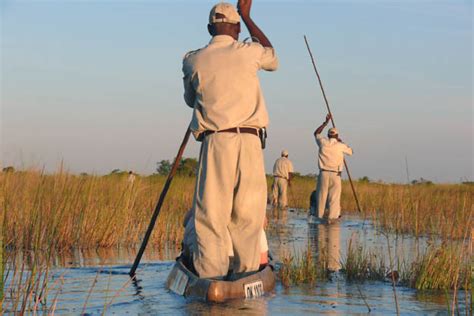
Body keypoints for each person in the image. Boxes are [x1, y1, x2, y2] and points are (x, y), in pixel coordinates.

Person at [182, 0, 278, 278]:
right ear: (236, 28)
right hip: (250, 141)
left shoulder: (192, 59)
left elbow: (191, 101)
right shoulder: (249, 52)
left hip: (216, 142)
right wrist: (248, 17)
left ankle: (211, 278)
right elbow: (272, 55)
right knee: (248, 217)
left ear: (209, 28)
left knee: (211, 217)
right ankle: (247, 276)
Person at [312, 114, 353, 223]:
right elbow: (351, 151)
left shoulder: (323, 142)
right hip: (336, 175)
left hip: (323, 174)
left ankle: (319, 219)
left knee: (321, 198)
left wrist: (325, 123)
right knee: (334, 200)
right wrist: (341, 141)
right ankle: (332, 220)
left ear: (328, 135)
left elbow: (316, 133)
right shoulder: (340, 145)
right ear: (337, 135)